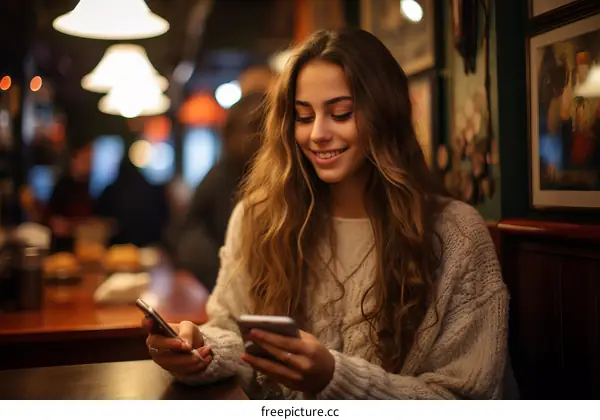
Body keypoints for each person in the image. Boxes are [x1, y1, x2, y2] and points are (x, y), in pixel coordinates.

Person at [143, 28, 513, 399]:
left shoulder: (456, 234)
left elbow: (467, 397)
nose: (317, 133)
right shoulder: (261, 218)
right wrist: (201, 350)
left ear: (385, 115)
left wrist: (334, 377)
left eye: (341, 113)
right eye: (304, 117)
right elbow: (230, 329)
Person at [171, 91, 267, 290]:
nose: (259, 138)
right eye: (253, 128)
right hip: (223, 285)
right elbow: (187, 236)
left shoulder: (273, 178)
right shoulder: (222, 178)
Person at [44, 143, 96, 252]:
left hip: (85, 247)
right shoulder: (63, 185)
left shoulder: (90, 186)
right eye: (85, 159)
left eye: (90, 160)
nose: (89, 164)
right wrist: (71, 227)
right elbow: (53, 221)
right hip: (63, 248)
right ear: (74, 159)